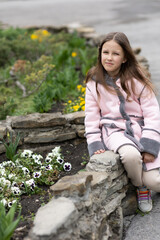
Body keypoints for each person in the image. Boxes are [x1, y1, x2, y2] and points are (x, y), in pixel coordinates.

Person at [84, 32, 160, 213]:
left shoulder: (137, 79)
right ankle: (141, 187)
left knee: (155, 181)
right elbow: (91, 117)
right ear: (100, 53)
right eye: (105, 52)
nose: (109, 58)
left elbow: (152, 114)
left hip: (141, 130)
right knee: (131, 155)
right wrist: (95, 144)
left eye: (115, 54)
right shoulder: (94, 82)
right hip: (114, 131)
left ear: (125, 57)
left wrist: (149, 146)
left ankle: (147, 183)